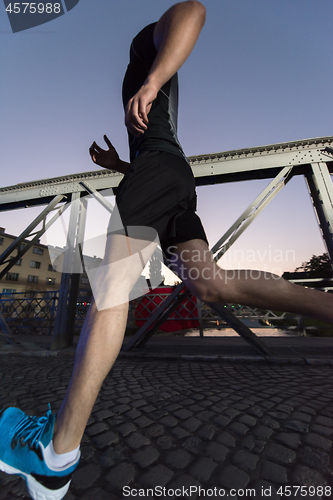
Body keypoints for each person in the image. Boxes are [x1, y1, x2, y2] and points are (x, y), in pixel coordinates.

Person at [0, 2, 332, 499]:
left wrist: (153, 79)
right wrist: (119, 165)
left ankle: (55, 454)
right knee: (210, 282)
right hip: (169, 179)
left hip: (160, 170)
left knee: (112, 285)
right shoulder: (150, 99)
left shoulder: (145, 50)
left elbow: (193, 10)